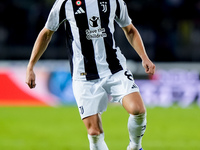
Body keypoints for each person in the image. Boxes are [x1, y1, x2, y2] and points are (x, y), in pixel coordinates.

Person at [26, 0, 156, 150]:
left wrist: (144, 57)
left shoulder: (114, 2)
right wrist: (31, 66)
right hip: (84, 75)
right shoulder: (65, 3)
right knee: (94, 132)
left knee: (138, 110)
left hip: (114, 69)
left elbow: (130, 30)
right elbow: (46, 33)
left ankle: (135, 147)